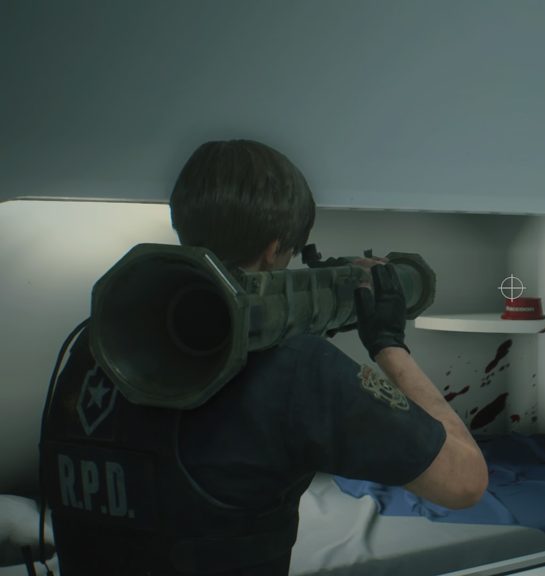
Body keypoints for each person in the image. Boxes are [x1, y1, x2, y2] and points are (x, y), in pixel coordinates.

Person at [39, 139, 488, 575]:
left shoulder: (98, 341)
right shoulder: (297, 369)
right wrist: (388, 343)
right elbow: (464, 482)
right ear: (275, 249)